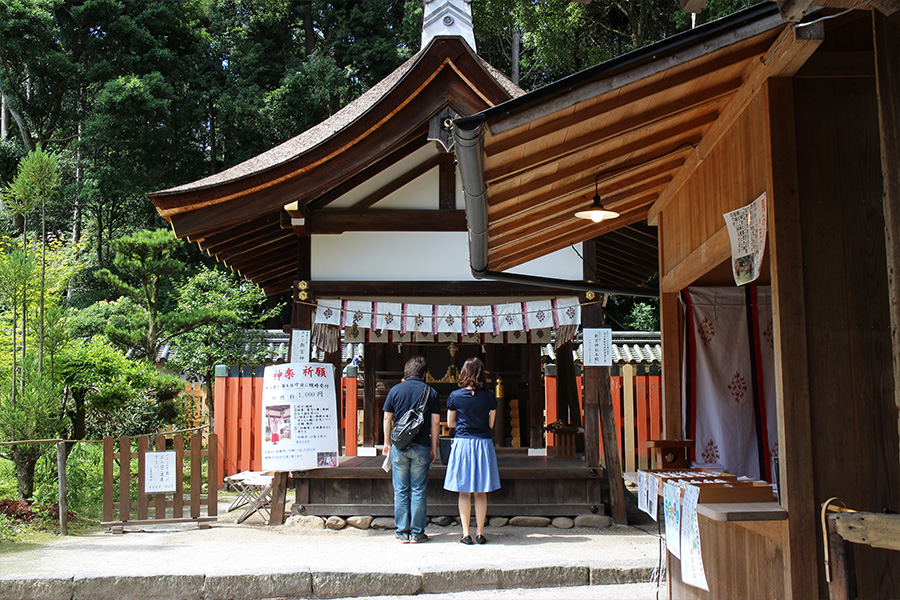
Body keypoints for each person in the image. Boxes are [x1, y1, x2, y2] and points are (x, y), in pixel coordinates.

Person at [382, 356, 440, 544]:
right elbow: (436, 422)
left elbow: (387, 418)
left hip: (399, 446)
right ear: (424, 374)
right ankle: (416, 532)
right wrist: (433, 448)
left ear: (406, 373)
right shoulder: (431, 392)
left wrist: (386, 443)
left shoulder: (395, 390)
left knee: (400, 490)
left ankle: (401, 532)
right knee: (418, 490)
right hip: (421, 446)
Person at [443, 357, 501, 545]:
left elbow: (451, 423)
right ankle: (481, 532)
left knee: (464, 490)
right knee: (481, 491)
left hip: (462, 443)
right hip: (483, 443)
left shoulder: (455, 396)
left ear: (464, 373)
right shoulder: (490, 396)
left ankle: (466, 533)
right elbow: (491, 424)